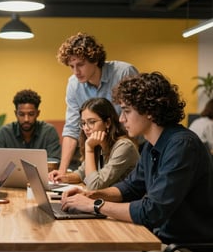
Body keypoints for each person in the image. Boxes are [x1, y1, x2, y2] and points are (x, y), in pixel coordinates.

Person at [61, 72, 213, 247]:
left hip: (182, 245)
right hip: (157, 238)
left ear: (149, 111)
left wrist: (94, 205)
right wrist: (90, 195)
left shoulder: (182, 146)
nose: (121, 118)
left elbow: (152, 211)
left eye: (126, 111)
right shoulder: (151, 145)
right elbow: (130, 188)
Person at [56, 32, 138, 174]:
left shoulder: (124, 73)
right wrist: (62, 171)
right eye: (71, 66)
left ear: (95, 60)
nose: (76, 71)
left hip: (131, 147)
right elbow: (72, 128)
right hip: (101, 150)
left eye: (80, 64)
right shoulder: (74, 85)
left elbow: (138, 116)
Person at [49, 98, 139, 189]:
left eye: (92, 122)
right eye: (83, 123)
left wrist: (89, 149)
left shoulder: (124, 147)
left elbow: (95, 185)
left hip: (127, 202)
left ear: (107, 123)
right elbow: (81, 173)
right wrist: (63, 178)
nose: (86, 128)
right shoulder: (97, 145)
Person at [0, 89, 61, 165]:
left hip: (43, 177)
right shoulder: (4, 133)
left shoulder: (49, 132)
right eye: (21, 114)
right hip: (12, 177)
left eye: (31, 114)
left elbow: (54, 161)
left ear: (37, 113)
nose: (26, 119)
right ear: (16, 113)